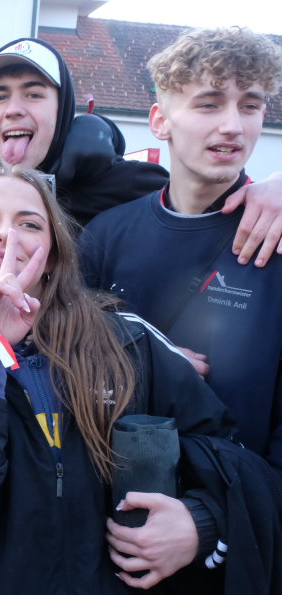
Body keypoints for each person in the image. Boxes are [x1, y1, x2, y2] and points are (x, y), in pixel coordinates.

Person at [0, 164, 280, 595]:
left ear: (54, 254)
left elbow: (226, 453)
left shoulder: (129, 341)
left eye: (30, 223)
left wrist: (201, 523)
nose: (8, 235)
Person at [0, 37, 282, 268]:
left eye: (34, 94)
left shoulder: (120, 184)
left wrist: (271, 188)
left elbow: (198, 198)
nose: (14, 108)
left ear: (63, 107)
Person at [82, 27, 282, 475]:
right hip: (108, 487)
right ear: (160, 122)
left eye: (250, 105)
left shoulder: (276, 235)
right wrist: (140, 359)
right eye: (208, 103)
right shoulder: (105, 234)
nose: (233, 125)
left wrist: (218, 510)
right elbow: (60, 355)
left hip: (239, 498)